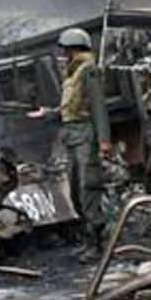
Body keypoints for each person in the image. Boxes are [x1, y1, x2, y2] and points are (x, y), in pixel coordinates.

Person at [28, 28, 113, 263]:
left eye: (66, 50)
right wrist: (48, 113)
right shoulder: (72, 75)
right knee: (76, 191)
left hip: (86, 136)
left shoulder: (89, 71)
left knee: (88, 189)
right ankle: (89, 241)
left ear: (75, 49)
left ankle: (97, 245)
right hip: (73, 137)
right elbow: (69, 110)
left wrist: (104, 140)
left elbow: (98, 107)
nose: (64, 54)